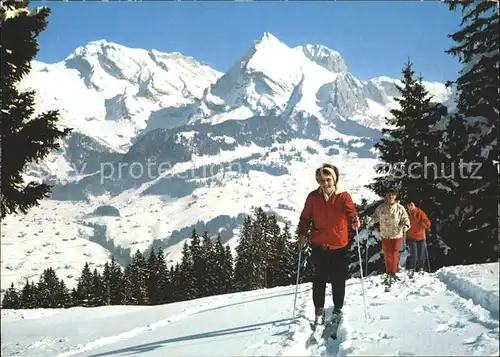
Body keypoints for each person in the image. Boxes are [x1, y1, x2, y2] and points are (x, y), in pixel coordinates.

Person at [298, 163, 360, 325]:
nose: (325, 183)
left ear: (335, 179)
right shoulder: (313, 197)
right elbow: (305, 218)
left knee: (338, 279)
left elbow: (351, 212)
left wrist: (354, 220)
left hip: (339, 245)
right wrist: (302, 234)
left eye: (328, 179)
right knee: (318, 279)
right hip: (319, 244)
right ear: (318, 181)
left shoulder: (343, 196)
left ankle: (338, 308)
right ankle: (319, 310)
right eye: (322, 180)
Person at [367, 187, 410, 286]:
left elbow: (406, 219)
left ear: (395, 196)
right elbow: (375, 217)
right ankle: (388, 272)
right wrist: (369, 222)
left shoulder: (400, 208)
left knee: (394, 253)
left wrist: (405, 226)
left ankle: (393, 272)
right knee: (387, 254)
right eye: (389, 195)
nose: (390, 196)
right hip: (385, 234)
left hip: (396, 234)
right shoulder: (381, 207)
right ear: (386, 196)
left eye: (392, 195)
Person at [405, 199, 431, 277]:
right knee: (413, 254)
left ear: (414, 205)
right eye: (408, 206)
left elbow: (428, 223)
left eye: (411, 205)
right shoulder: (405, 214)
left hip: (421, 237)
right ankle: (411, 269)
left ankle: (421, 269)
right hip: (411, 237)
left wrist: (422, 223)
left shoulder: (420, 213)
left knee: (421, 254)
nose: (410, 207)